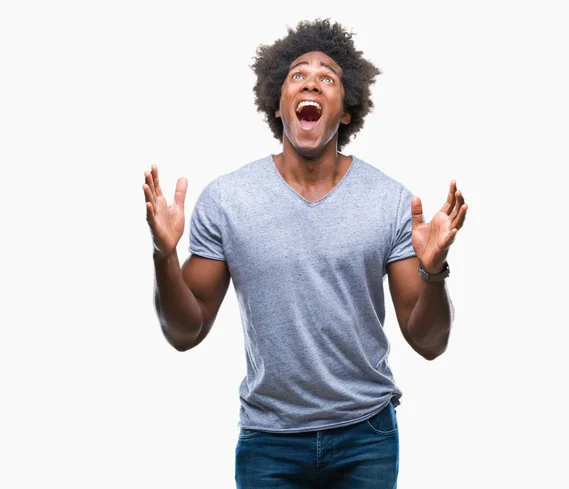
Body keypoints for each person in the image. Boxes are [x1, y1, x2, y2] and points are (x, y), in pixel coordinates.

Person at [142, 18, 467, 489]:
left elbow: (429, 343)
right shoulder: (229, 200)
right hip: (268, 441)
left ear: (347, 110)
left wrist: (434, 271)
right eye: (298, 75)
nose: (312, 81)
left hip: (366, 436)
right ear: (279, 104)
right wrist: (163, 255)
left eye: (327, 77)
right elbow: (184, 332)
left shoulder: (390, 201)